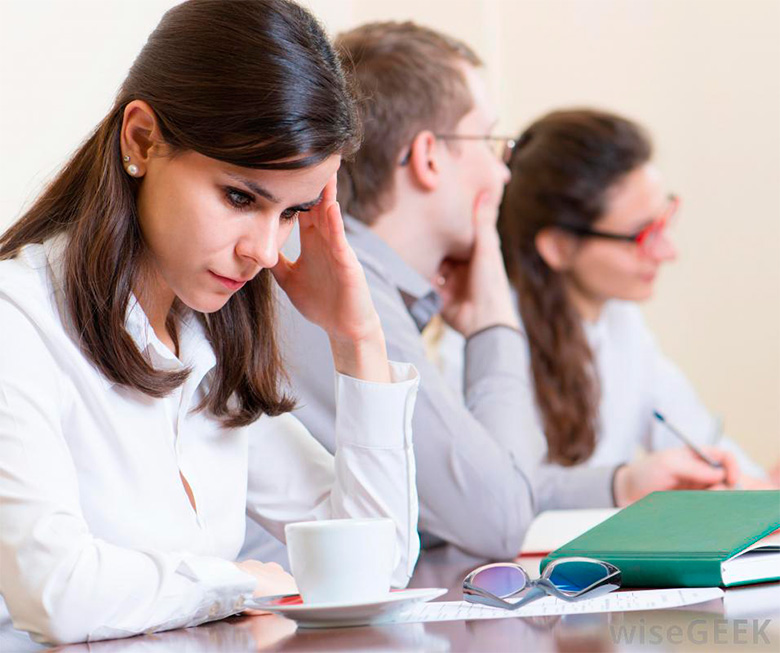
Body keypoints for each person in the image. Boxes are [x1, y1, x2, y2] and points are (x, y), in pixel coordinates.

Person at [0, 0, 422, 646]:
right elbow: (58, 592)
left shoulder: (205, 343)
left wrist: (357, 338)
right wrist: (235, 582)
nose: (265, 249)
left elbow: (376, 566)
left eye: (291, 213)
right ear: (141, 140)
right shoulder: (17, 320)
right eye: (240, 197)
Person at [240, 21, 739, 565]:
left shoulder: (381, 294)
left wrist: (621, 483)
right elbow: (498, 519)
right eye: (492, 141)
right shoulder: (334, 293)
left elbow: (488, 485)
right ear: (429, 158)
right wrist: (494, 323)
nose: (504, 174)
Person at [495, 108, 775, 486]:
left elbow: (696, 436)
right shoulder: (490, 349)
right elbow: (508, 501)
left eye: (665, 220)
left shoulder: (620, 320)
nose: (667, 251)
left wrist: (756, 483)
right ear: (559, 247)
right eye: (642, 235)